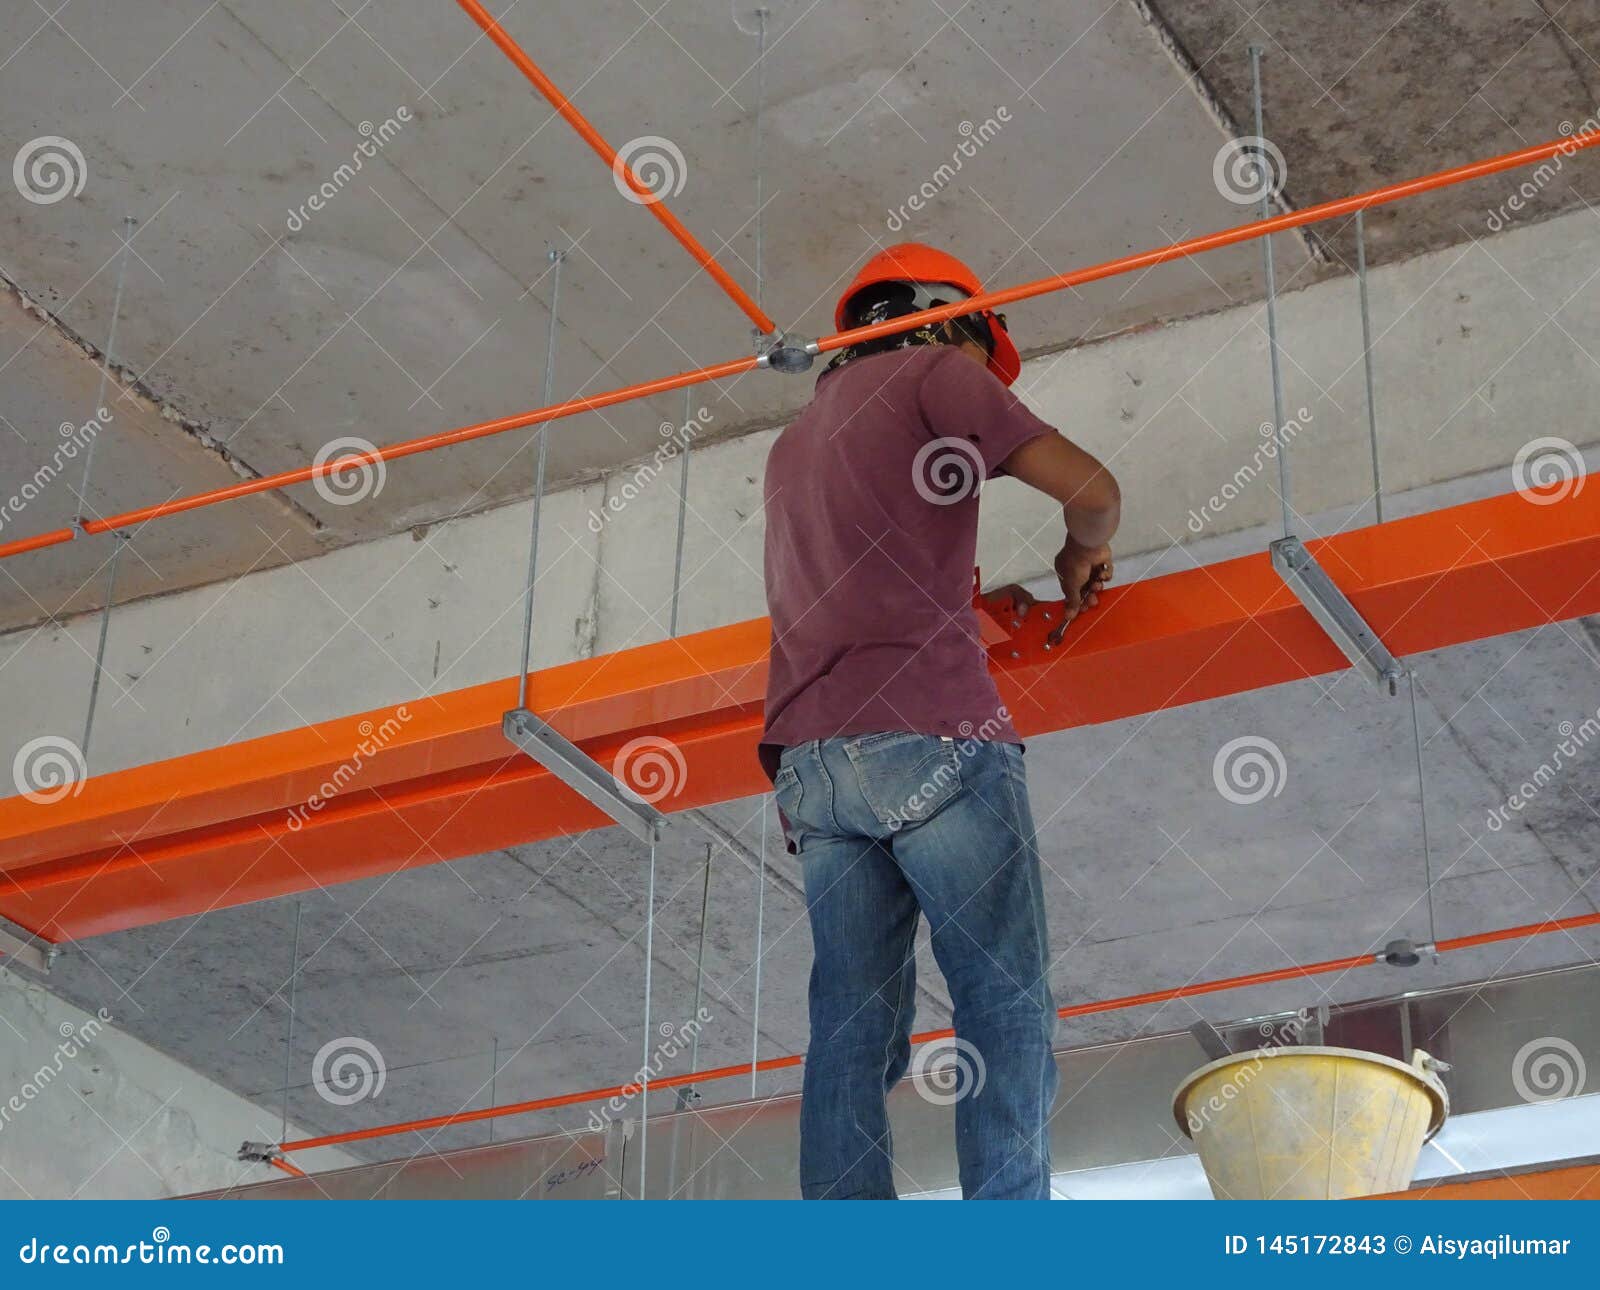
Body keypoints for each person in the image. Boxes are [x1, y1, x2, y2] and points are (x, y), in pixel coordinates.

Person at [759, 242, 1121, 1199]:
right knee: (1001, 1000)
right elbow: (1094, 493)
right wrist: (1082, 551)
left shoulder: (794, 442)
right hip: (930, 736)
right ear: (952, 320)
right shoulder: (933, 370)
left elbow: (871, 567)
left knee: (851, 1024)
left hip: (812, 765)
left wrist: (959, 598)